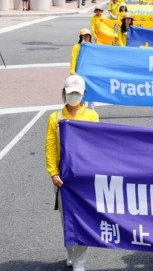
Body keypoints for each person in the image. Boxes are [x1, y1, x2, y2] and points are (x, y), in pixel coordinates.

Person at [45, 75, 99, 271]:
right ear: (63, 94)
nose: (74, 97)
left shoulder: (92, 116)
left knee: (82, 218)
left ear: (83, 94)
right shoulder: (55, 118)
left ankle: (80, 262)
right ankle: (71, 253)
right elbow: (50, 147)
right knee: (66, 218)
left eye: (77, 93)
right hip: (63, 179)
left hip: (84, 177)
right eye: (70, 93)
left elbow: (96, 145)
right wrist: (53, 173)